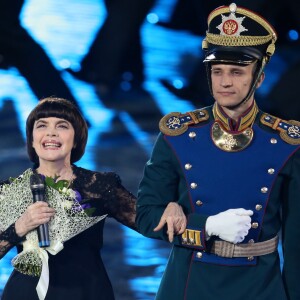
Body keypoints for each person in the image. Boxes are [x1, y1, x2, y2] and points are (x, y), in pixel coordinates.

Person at [136, 3, 300, 299]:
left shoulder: (287, 145)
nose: (225, 82)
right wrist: (206, 225)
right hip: (188, 284)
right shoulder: (179, 136)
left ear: (259, 77)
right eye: (217, 71)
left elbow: (298, 243)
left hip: (260, 287)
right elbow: (146, 215)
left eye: (237, 72)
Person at [0, 97, 185, 300]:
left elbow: (149, 222)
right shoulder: (11, 191)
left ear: (77, 138)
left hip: (87, 293)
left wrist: (173, 206)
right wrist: (19, 227)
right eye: (42, 125)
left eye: (62, 126)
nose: (51, 132)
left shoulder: (99, 186)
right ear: (32, 139)